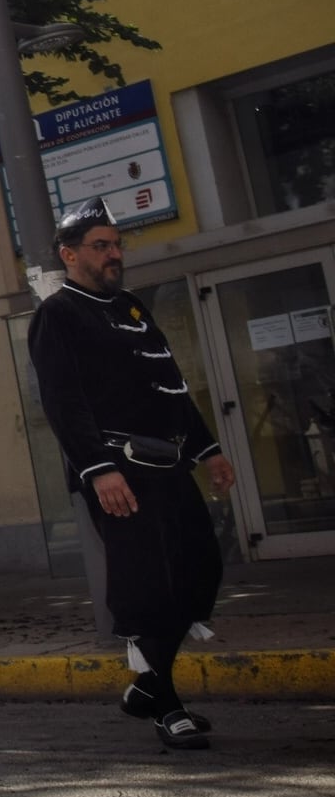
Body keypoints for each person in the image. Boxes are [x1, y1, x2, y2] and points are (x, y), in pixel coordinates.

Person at [26, 197, 237, 750]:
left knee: (201, 567)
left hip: (167, 466)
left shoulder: (132, 308)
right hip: (119, 473)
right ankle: (167, 705)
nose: (114, 254)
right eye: (101, 246)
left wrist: (208, 449)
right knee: (149, 586)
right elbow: (64, 403)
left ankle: (146, 687)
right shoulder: (59, 314)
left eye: (117, 244)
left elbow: (170, 388)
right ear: (70, 256)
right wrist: (98, 470)